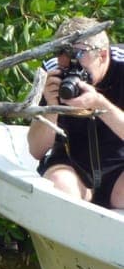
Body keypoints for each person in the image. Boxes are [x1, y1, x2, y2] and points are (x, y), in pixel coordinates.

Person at [26, 17, 124, 209]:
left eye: (78, 54)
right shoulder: (53, 71)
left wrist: (99, 104)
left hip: (119, 167)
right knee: (59, 185)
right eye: (61, 52)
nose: (68, 62)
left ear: (102, 55)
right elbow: (36, 150)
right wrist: (51, 107)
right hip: (71, 164)